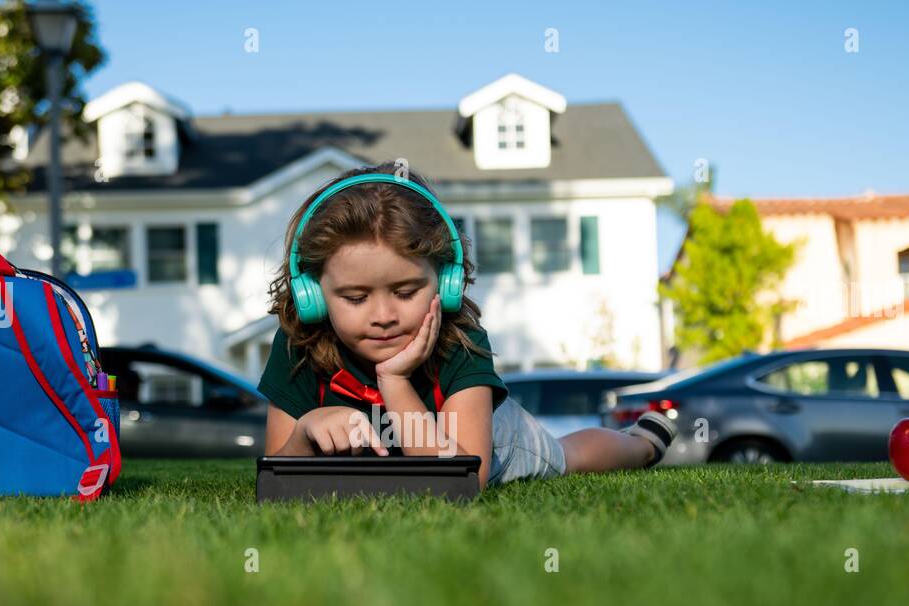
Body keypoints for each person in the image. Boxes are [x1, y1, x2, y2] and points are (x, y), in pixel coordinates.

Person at [257, 163, 676, 490]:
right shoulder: (298, 343)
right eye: (355, 298)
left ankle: (640, 444)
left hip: (490, 445)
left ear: (447, 282)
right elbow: (276, 479)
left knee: (568, 457)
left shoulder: (461, 339)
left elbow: (461, 480)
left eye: (405, 291)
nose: (383, 315)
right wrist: (304, 437)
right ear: (312, 294)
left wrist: (395, 382)